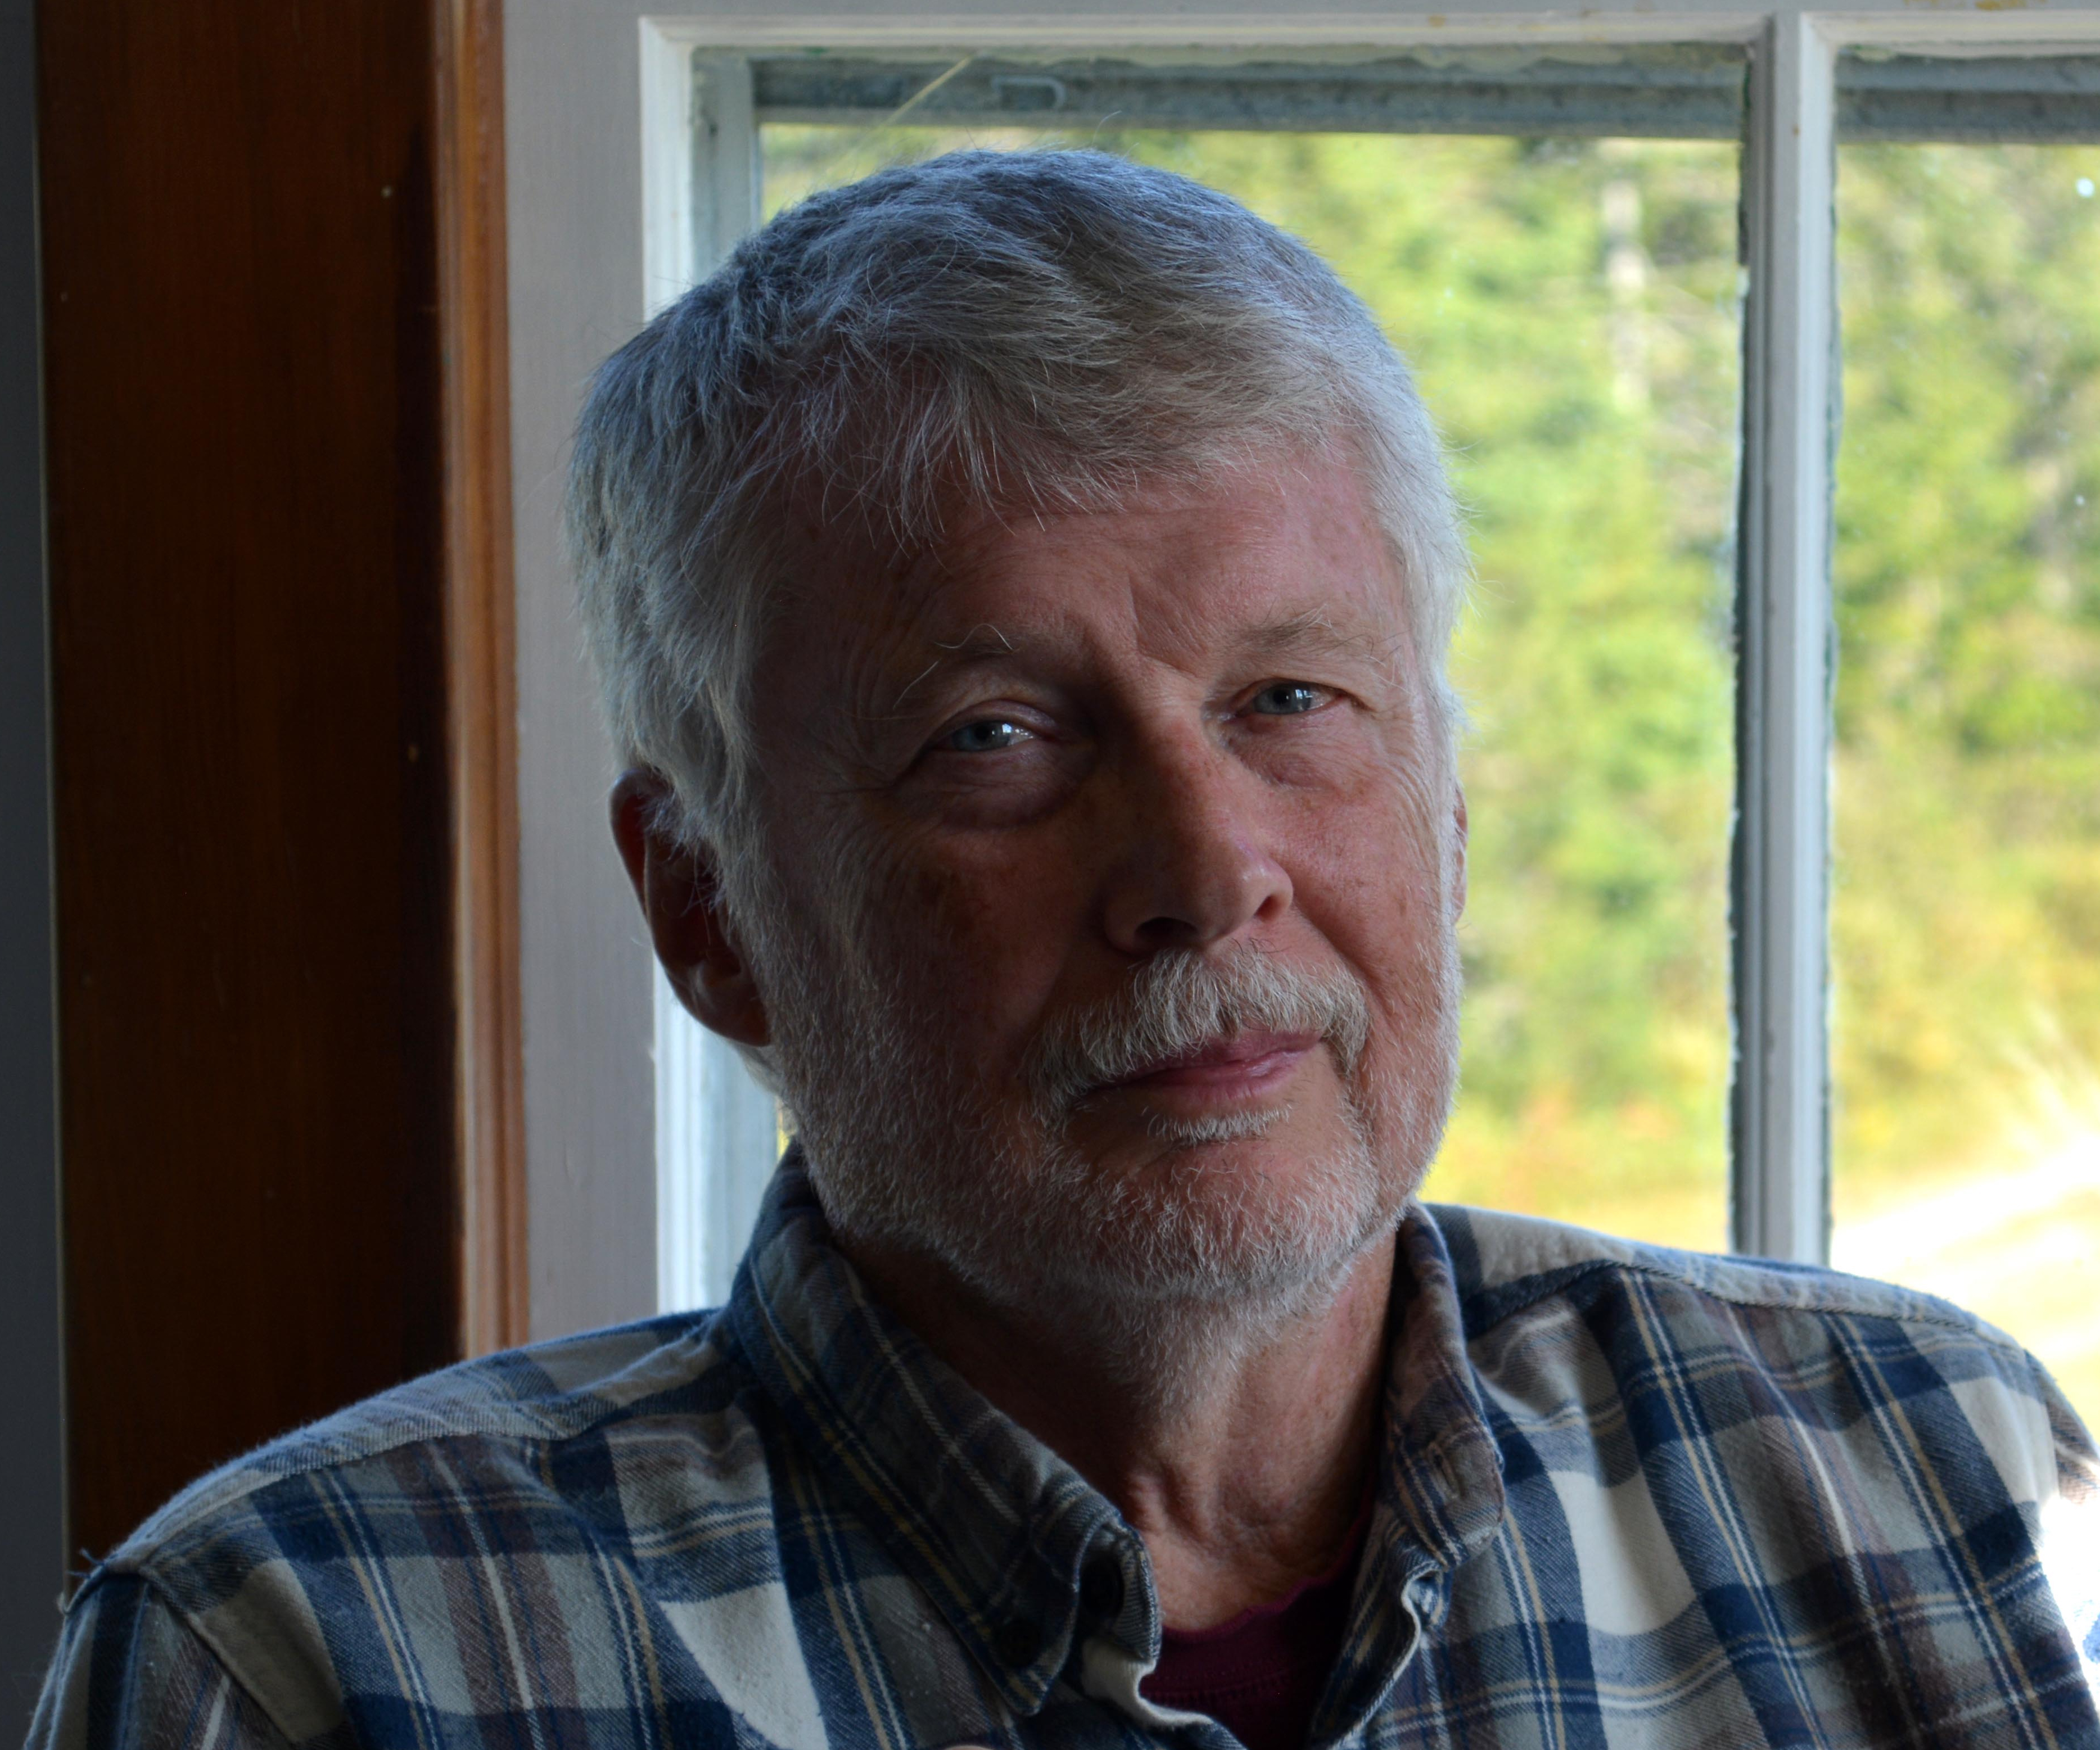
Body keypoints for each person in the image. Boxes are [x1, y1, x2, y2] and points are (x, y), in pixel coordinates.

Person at [30, 150, 2100, 1750]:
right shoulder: (312, 1659)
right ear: (708, 911)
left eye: (1292, 700)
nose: (1202, 872)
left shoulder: (1938, 1476)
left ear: (1448, 816)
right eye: (996, 738)